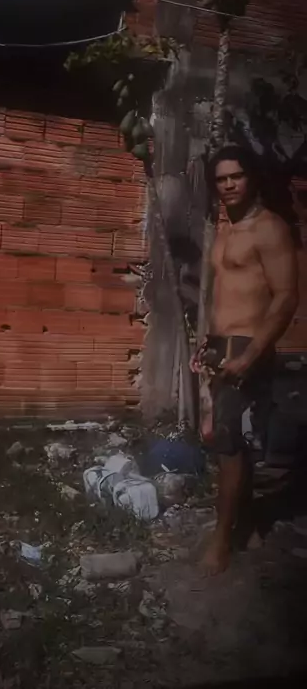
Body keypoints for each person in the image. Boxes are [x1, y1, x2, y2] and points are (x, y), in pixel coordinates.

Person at [190, 144, 298, 574]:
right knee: (228, 440)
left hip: (248, 346)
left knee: (228, 446)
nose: (229, 185)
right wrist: (207, 342)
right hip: (222, 345)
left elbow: (286, 297)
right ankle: (248, 524)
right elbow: (224, 295)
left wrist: (252, 354)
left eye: (236, 176)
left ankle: (221, 541)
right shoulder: (225, 230)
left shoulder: (269, 228)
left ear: (251, 178)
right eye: (221, 179)